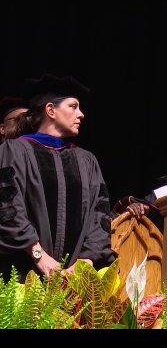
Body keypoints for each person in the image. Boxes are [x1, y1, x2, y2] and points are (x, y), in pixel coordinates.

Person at [0, 73, 115, 283]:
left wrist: (85, 261)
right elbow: (7, 208)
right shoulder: (14, 151)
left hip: (75, 283)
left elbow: (100, 216)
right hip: (23, 278)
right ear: (50, 110)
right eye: (73, 106)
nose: (81, 114)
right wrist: (39, 256)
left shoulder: (87, 161)